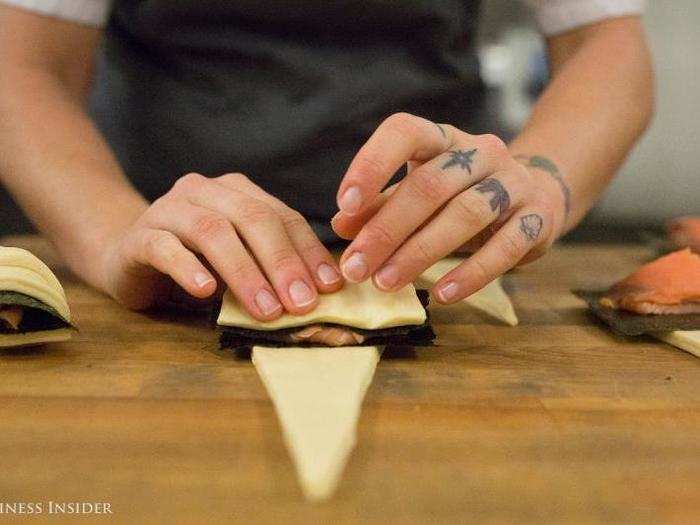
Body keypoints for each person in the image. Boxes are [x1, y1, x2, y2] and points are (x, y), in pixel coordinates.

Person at [0, 1, 653, 320]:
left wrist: (542, 180)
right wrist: (117, 232)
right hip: (170, 254)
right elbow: (23, 64)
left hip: (442, 265)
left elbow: (604, 46)